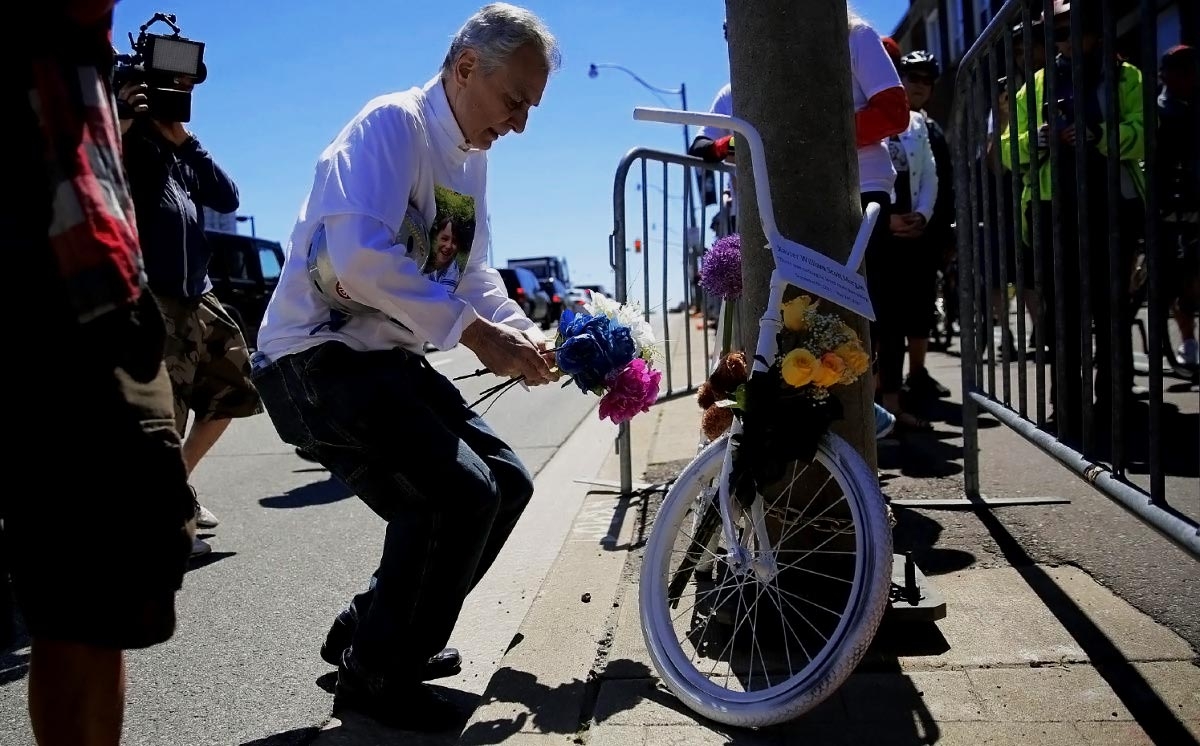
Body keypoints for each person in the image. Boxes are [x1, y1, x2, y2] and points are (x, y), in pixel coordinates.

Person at [251, 3, 560, 731]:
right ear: (463, 69)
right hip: (313, 358)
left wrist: (520, 333)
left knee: (507, 482)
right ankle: (375, 682)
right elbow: (357, 259)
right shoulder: (394, 125)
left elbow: (470, 275)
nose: (520, 124)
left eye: (531, 108)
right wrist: (476, 336)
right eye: (515, 100)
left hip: (383, 359)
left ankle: (375, 634)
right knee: (456, 494)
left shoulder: (470, 161)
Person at [5, 3, 195, 743]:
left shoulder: (88, 72)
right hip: (66, 282)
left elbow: (220, 192)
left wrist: (148, 118)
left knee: (92, 594)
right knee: (98, 575)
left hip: (89, 273)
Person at [118, 56, 263, 556]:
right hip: (152, 296)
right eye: (164, 89)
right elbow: (91, 177)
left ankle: (172, 489)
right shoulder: (124, 142)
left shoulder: (177, 148)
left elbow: (226, 197)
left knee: (236, 388)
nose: (174, 100)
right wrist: (120, 118)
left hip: (198, 295)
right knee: (163, 418)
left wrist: (184, 140)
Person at [1001, 0, 1145, 449]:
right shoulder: (1036, 86)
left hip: (1111, 208)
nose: (1063, 41)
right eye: (1056, 33)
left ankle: (1117, 404)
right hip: (1054, 211)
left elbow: (1146, 130)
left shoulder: (1127, 77)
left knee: (1112, 312)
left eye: (1070, 31)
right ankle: (1067, 408)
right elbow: (1008, 150)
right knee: (1063, 315)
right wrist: (1036, 139)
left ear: (1095, 33)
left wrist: (1099, 135)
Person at [852, 18, 916, 436]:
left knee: (865, 307)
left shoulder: (854, 34)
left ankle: (868, 406)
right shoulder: (787, 42)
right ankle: (854, 409)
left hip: (864, 187)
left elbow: (895, 112)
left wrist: (819, 134)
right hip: (810, 186)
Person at [889, 49, 953, 405]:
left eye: (928, 80)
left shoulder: (931, 129)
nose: (920, 86)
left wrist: (937, 227)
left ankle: (917, 373)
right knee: (889, 311)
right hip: (888, 229)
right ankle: (889, 384)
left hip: (924, 231)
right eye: (914, 77)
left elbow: (942, 180)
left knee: (921, 306)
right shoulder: (886, 120)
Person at [1156, 44, 1199, 367]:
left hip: (1194, 198)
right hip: (1171, 203)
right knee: (1180, 276)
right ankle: (1187, 339)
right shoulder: (1160, 110)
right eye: (1181, 70)